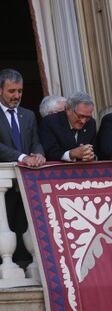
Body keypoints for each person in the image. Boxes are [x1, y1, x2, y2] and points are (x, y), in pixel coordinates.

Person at [0, 68, 45, 265]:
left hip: (26, 182)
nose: (16, 96)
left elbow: (35, 141)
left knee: (23, 225)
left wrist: (39, 155)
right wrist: (22, 157)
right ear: (0, 90)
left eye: (19, 91)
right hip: (3, 184)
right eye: (11, 91)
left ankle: (24, 263)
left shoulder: (28, 115)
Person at [39, 92, 96, 162]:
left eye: (87, 117)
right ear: (68, 109)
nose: (83, 121)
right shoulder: (50, 122)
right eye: (80, 116)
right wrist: (71, 154)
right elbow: (49, 153)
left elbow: (95, 150)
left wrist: (90, 155)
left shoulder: (91, 123)